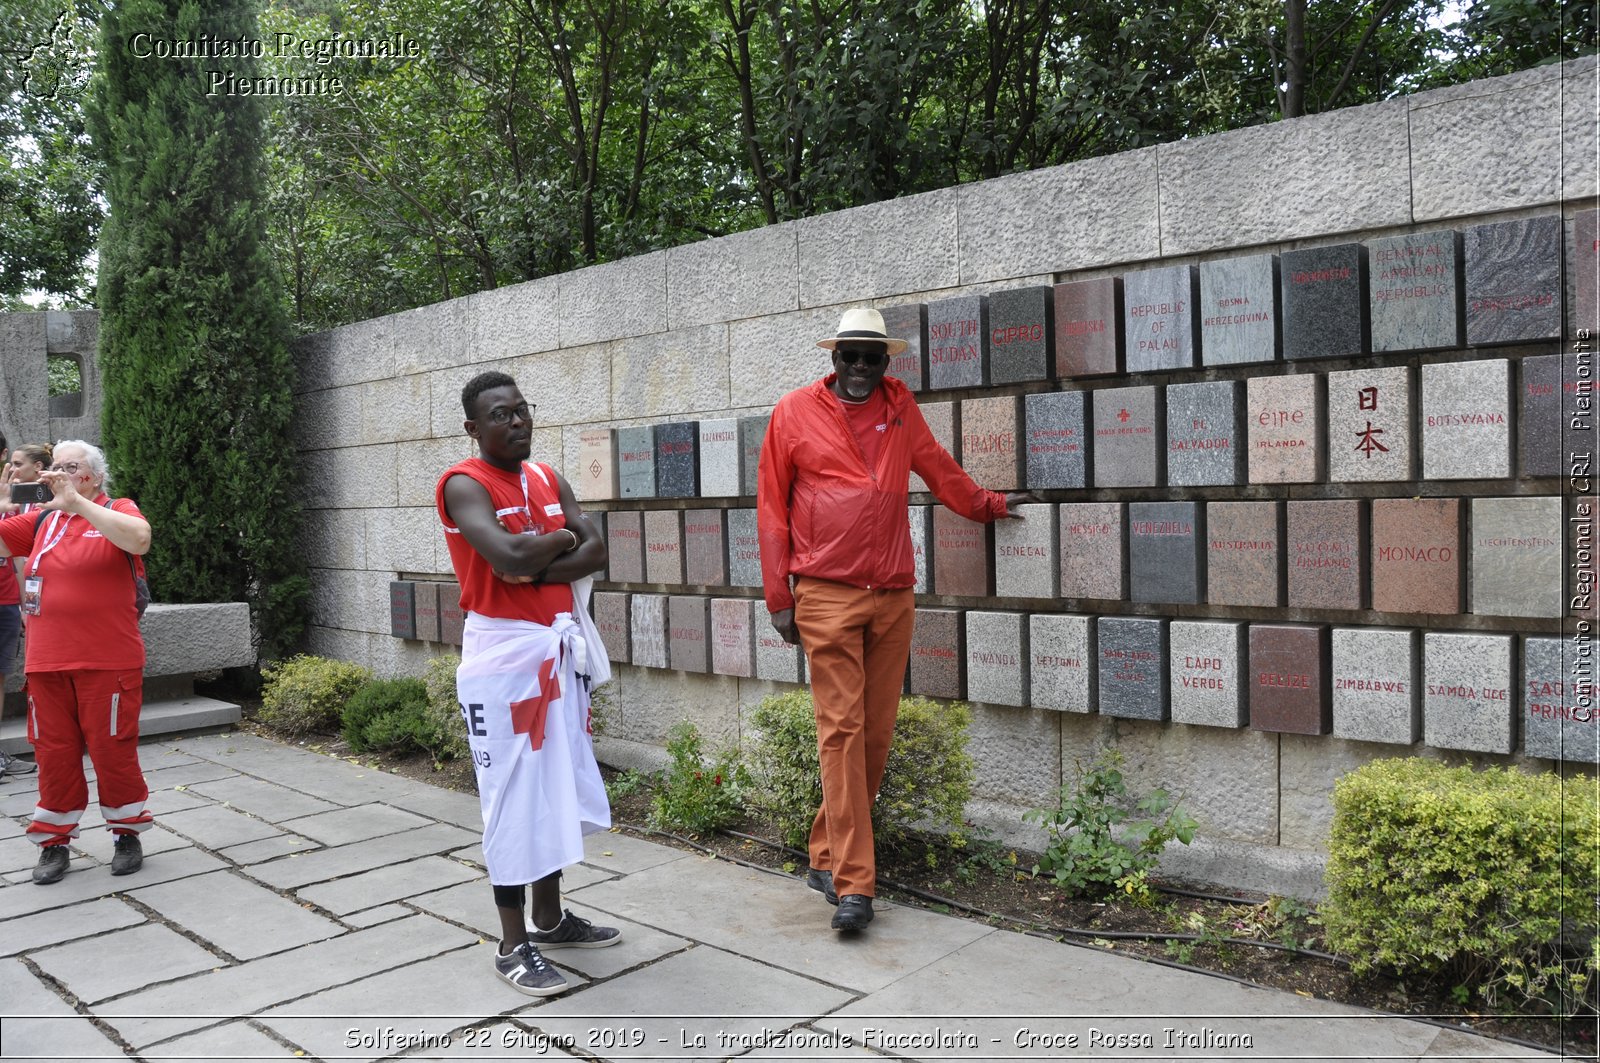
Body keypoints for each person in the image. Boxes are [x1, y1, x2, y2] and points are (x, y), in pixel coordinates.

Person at [758, 308, 1036, 932]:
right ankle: (856, 885)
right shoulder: (793, 412)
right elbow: (772, 508)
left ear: (888, 361)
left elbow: (938, 469)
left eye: (872, 357)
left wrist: (990, 506)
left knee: (874, 734)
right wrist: (780, 596)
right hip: (826, 594)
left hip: (893, 594)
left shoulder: (900, 408)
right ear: (833, 358)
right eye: (849, 356)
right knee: (841, 731)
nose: (859, 368)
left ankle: (826, 853)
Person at [436, 370, 620, 997]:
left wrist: (544, 549)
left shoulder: (548, 478)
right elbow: (506, 559)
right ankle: (511, 945)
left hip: (555, 651)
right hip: (504, 662)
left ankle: (549, 917)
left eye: (521, 411)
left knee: (555, 787)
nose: (516, 423)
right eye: (500, 415)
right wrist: (548, 548)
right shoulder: (464, 485)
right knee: (513, 795)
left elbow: (595, 552)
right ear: (473, 427)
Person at [0, 441, 153, 884]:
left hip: (108, 660)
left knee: (113, 751)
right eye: (57, 467)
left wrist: (80, 505)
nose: (62, 473)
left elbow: (138, 539)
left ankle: (127, 833)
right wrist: (4, 501)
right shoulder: (42, 519)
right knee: (53, 754)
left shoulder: (116, 506)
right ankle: (54, 841)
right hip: (46, 662)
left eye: (73, 467)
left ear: (95, 476)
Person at [0, 441, 51, 781]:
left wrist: (23, 604)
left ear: (39, 468)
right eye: (11, 462)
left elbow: (24, 560)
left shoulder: (41, 504)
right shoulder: (8, 499)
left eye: (19, 463)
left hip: (8, 599)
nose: (12, 469)